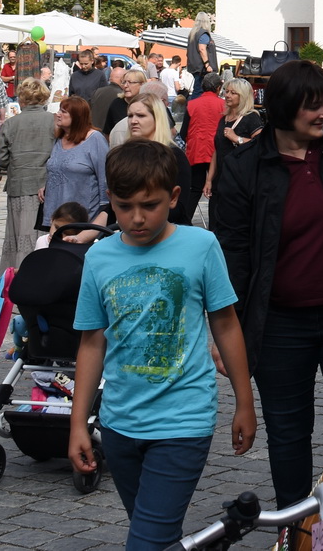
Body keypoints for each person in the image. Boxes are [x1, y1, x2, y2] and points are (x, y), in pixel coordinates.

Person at [69, 139, 255, 551]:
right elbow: (92, 343)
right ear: (110, 200)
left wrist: (244, 402)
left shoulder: (200, 246)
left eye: (149, 205)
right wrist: (78, 423)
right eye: (124, 206)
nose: (136, 218)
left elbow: (225, 324)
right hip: (119, 424)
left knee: (146, 541)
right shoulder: (99, 258)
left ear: (173, 197)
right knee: (158, 535)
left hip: (183, 421)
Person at [210, 59, 323, 512]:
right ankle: (296, 529)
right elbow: (232, 253)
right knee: (287, 433)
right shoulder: (245, 166)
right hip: (279, 324)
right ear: (284, 109)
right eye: (312, 106)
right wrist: (227, 328)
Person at [0, 77, 58, 271]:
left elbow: (0, 158)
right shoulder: (54, 121)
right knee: (41, 234)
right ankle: (39, 272)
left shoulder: (11, 123)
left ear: (22, 98)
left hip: (19, 184)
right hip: (46, 184)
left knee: (17, 234)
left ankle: (15, 273)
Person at [42, 96, 109, 225]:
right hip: (56, 214)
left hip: (83, 217)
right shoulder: (59, 139)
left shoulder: (95, 139)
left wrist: (104, 208)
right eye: (59, 110)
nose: (58, 114)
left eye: (63, 112)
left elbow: (105, 176)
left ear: (77, 116)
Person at [180, 74, 225, 223]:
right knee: (215, 190)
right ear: (218, 88)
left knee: (195, 189)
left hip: (196, 151)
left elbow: (183, 132)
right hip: (216, 152)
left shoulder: (192, 104)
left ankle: (185, 221)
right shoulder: (223, 105)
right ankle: (213, 226)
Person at [211, 78, 263, 198]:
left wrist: (237, 139)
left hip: (240, 182)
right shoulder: (223, 119)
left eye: (233, 93)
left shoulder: (251, 118)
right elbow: (217, 151)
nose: (227, 95)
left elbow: (261, 145)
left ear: (243, 96)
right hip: (220, 180)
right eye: (227, 91)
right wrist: (209, 180)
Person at [105, 69, 147, 137]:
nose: (125, 86)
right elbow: (108, 131)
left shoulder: (148, 104)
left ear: (142, 85)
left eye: (130, 82)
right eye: (124, 82)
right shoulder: (116, 104)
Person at [185, 12, 216, 98]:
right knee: (199, 90)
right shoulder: (203, 34)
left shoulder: (192, 34)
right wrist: (207, 65)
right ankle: (193, 106)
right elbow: (202, 49)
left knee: (198, 89)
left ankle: (193, 104)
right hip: (202, 68)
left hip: (195, 66)